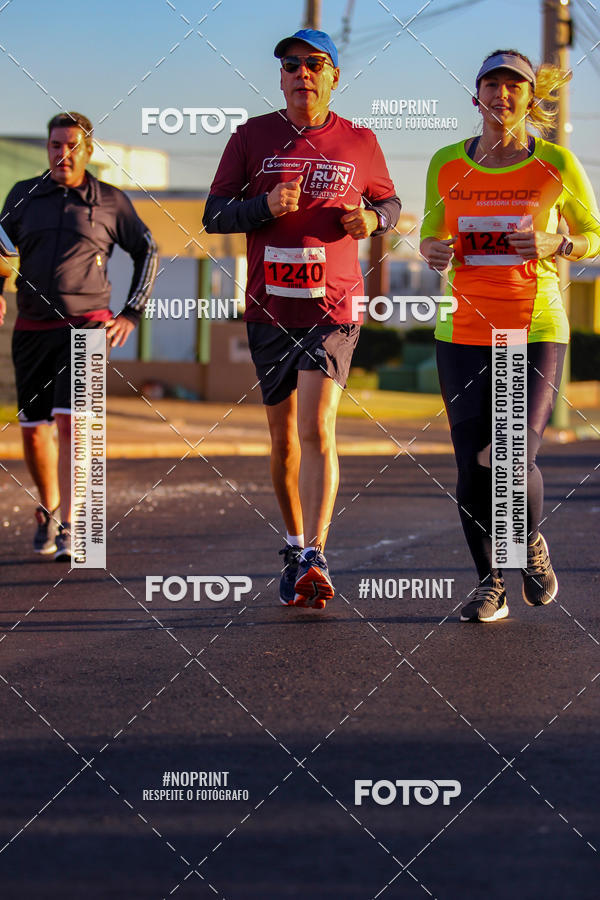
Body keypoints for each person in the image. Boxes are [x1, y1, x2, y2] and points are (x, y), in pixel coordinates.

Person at [204, 29, 401, 608]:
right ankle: (293, 546)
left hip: (334, 306)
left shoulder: (360, 141)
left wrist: (373, 219)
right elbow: (215, 213)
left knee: (318, 428)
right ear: (281, 76)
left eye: (315, 64)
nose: (301, 73)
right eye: (291, 64)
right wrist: (262, 206)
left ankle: (316, 553)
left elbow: (389, 202)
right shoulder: (251, 137)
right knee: (283, 439)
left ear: (334, 75)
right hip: (269, 307)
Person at [420, 50, 600, 623]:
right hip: (463, 327)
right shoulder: (447, 163)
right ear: (476, 97)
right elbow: (429, 234)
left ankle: (528, 545)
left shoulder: (555, 164)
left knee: (510, 455)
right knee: (474, 464)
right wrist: (431, 251)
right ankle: (491, 582)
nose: (502, 95)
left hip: (535, 325)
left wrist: (560, 245)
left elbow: (595, 234)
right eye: (491, 85)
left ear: (529, 98)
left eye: (514, 86)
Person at [0, 111, 158, 561]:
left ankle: (73, 524)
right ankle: (50, 508)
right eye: (54, 145)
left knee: (74, 424)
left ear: (88, 150)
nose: (62, 154)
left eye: (71, 146)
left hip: (87, 324)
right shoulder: (23, 195)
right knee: (33, 431)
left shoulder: (110, 201)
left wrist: (132, 311)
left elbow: (146, 248)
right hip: (31, 326)